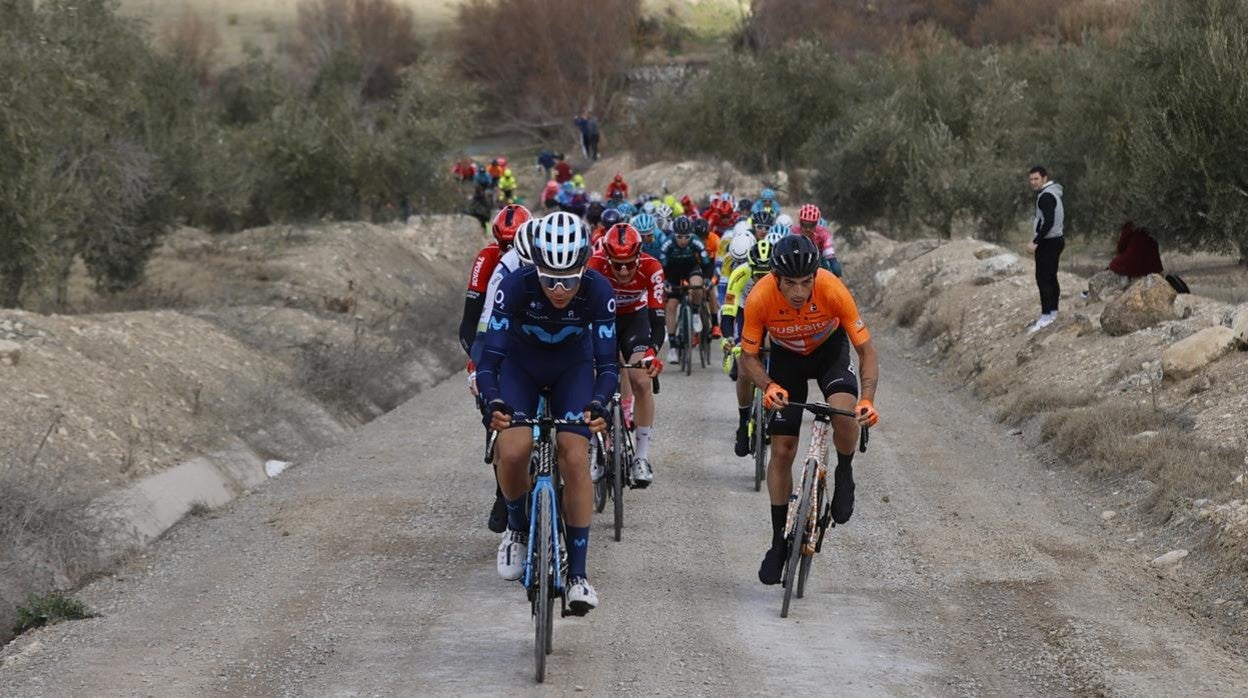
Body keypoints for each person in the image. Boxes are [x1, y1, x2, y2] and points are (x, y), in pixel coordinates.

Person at [477, 211, 617, 615]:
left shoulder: (599, 290)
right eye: (549, 278)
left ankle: (578, 575)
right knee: (514, 448)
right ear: (534, 267)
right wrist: (493, 400)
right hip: (520, 367)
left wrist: (600, 403)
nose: (559, 288)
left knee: (575, 457)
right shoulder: (514, 286)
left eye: (569, 279)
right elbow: (490, 360)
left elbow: (607, 366)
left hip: (572, 369)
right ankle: (517, 529)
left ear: (584, 269)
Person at [736, 235, 879, 586]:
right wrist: (769, 386)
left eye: (805, 282)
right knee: (782, 450)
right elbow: (749, 357)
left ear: (815, 275)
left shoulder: (832, 289)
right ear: (775, 278)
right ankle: (777, 544)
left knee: (844, 413)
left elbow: (867, 352)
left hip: (829, 353)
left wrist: (867, 400)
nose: (799, 292)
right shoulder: (760, 298)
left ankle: (844, 472)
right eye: (790, 284)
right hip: (787, 361)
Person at [458, 205, 533, 532]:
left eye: (513, 243)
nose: (508, 250)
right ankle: (504, 495)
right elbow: (470, 323)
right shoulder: (489, 260)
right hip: (494, 338)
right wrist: (477, 364)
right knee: (497, 420)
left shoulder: (537, 258)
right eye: (502, 243)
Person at [587, 223, 666, 486]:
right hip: (604, 320)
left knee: (641, 380)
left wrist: (652, 353)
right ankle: (596, 448)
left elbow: (658, 322)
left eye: (629, 264)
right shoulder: (595, 264)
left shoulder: (652, 267)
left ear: (639, 257)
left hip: (636, 319)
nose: (623, 270)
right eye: (617, 264)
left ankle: (641, 457)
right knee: (596, 375)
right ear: (607, 257)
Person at [721, 238, 774, 455]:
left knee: (775, 349)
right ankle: (743, 423)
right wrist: (727, 338)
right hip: (747, 315)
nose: (761, 278)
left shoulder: (782, 276)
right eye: (757, 273)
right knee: (744, 367)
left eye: (766, 273)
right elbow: (729, 311)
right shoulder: (740, 274)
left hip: (771, 316)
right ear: (750, 267)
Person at [661, 216, 714, 363]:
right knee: (671, 306)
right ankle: (672, 347)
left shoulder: (696, 241)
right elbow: (661, 266)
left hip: (691, 268)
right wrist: (664, 282)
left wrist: (708, 279)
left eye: (686, 237)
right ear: (674, 235)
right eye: (679, 237)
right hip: (672, 272)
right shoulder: (667, 243)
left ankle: (696, 312)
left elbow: (707, 264)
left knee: (697, 285)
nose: (683, 240)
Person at [1027, 166, 1065, 333]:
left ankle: (1046, 316)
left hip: (1049, 242)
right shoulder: (1053, 192)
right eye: (1031, 179)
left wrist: (1035, 241)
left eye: (1036, 179)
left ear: (1044, 178)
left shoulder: (1046, 196)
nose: (1033, 182)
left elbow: (1048, 222)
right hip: (1056, 240)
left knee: (1042, 278)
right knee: (1050, 276)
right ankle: (1053, 312)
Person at [792, 204, 841, 277]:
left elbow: (831, 257)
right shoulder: (793, 233)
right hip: (798, 259)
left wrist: (838, 276)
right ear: (800, 223)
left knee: (826, 270)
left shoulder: (822, 234)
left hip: (818, 259)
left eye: (811, 225)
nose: (808, 229)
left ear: (816, 224)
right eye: (805, 225)